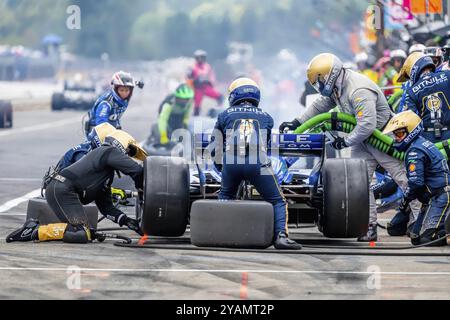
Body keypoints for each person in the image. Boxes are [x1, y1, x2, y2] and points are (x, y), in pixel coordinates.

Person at [279, 53, 420, 242]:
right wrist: (297, 122)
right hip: (363, 140)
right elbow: (320, 105)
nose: (319, 86)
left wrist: (345, 142)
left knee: (404, 179)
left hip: (383, 138)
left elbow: (368, 124)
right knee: (360, 185)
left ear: (329, 75)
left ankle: (419, 220)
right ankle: (369, 226)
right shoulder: (338, 87)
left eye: (319, 81)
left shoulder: (357, 89)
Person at [7, 130, 148, 244]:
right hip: (61, 189)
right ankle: (33, 231)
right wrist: (141, 189)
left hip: (65, 191)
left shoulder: (106, 175)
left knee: (85, 232)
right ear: (121, 144)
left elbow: (106, 208)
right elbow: (136, 170)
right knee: (81, 234)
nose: (128, 156)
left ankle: (38, 230)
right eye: (129, 151)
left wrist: (127, 221)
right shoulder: (107, 152)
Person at [212, 77, 301, 250]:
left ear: (234, 95)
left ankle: (219, 233)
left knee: (225, 196)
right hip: (257, 162)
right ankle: (281, 237)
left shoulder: (224, 115)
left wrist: (222, 169)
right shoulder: (267, 117)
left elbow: (215, 148)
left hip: (231, 162)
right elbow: (266, 146)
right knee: (277, 201)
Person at [383, 111, 449, 246]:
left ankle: (446, 230)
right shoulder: (420, 143)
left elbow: (416, 183)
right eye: (395, 134)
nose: (396, 138)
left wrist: (406, 200)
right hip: (431, 197)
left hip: (441, 195)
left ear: (411, 131)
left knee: (426, 240)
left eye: (400, 134)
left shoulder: (414, 151)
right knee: (414, 236)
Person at [400, 53, 450, 143]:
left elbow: (411, 121)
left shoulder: (411, 92)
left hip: (429, 140)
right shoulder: (447, 75)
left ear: (413, 70)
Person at [86, 71, 138, 136]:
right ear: (116, 89)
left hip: (112, 130)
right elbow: (101, 123)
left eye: (127, 90)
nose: (124, 93)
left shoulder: (123, 101)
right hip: (97, 133)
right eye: (121, 90)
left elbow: (115, 117)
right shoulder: (106, 103)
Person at [187, 50, 223, 116]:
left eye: (202, 57)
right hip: (197, 89)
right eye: (198, 57)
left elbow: (212, 76)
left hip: (206, 87)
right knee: (197, 106)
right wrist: (192, 85)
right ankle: (196, 117)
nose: (200, 59)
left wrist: (211, 82)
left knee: (219, 96)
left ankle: (220, 110)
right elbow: (188, 78)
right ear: (196, 58)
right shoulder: (192, 67)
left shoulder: (207, 66)